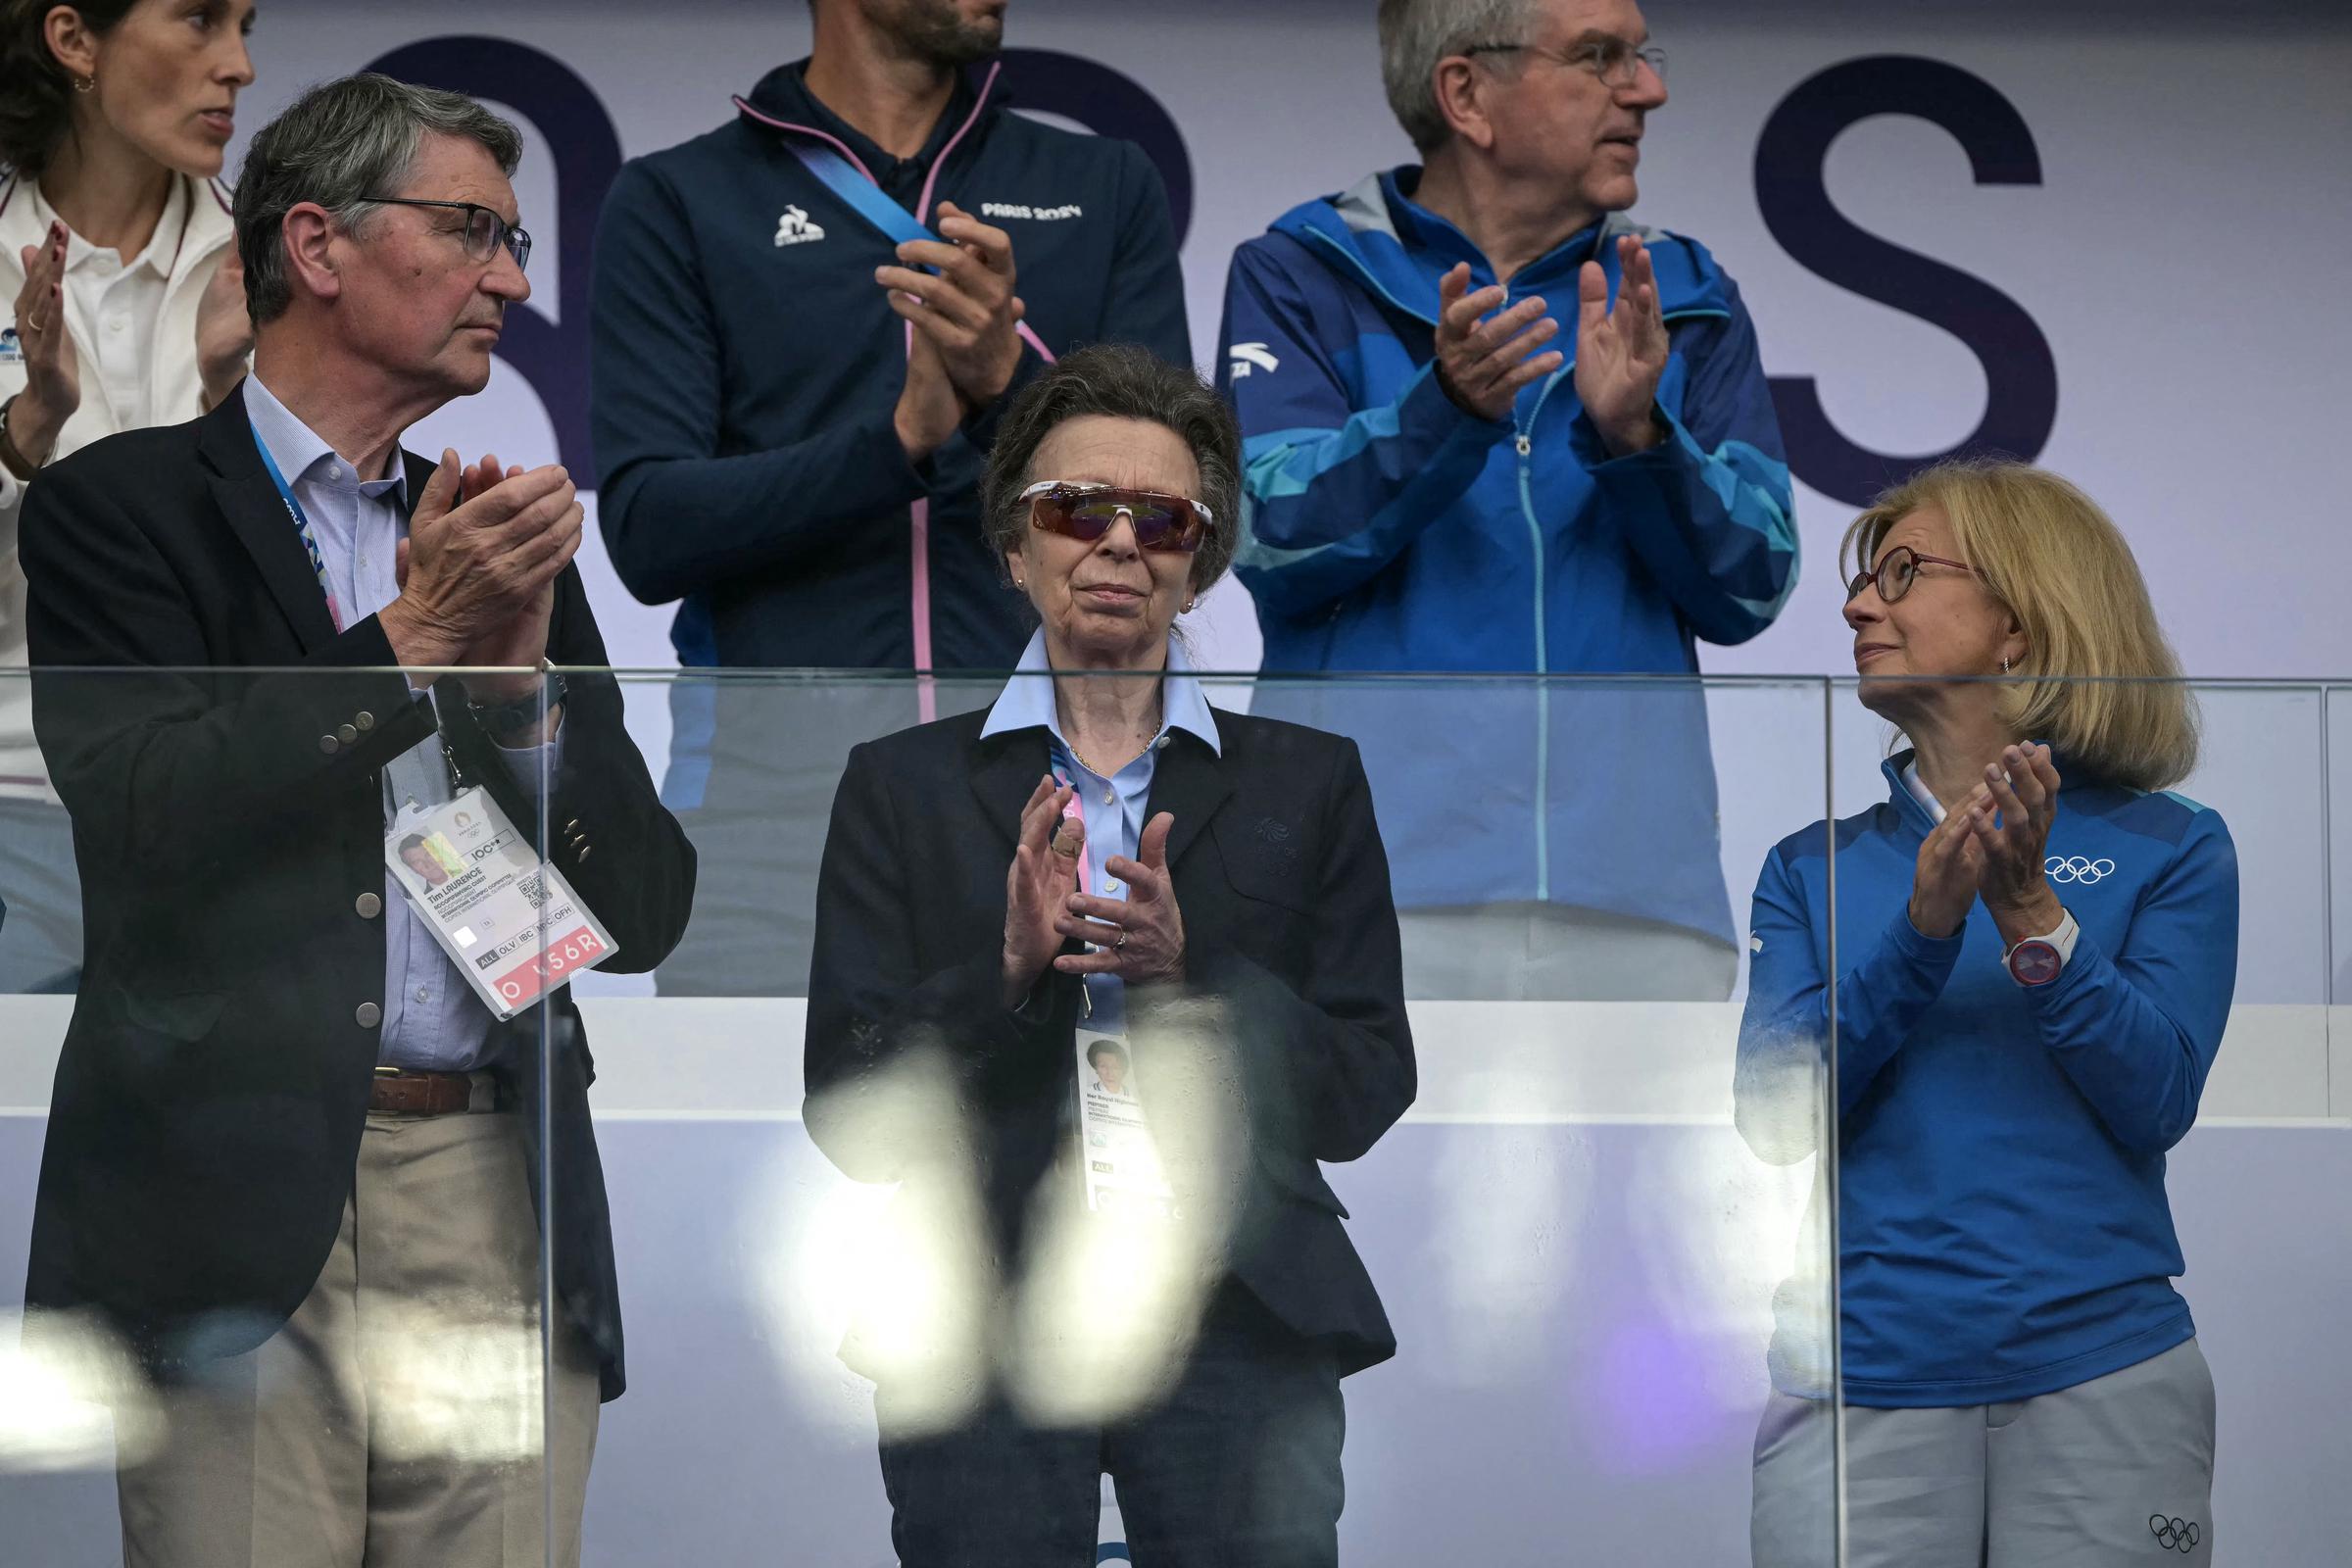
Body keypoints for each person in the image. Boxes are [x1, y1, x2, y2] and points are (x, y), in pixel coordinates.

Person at [19, 74, 696, 1567]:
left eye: (515, 241)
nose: (514, 278)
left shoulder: (497, 526)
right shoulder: (115, 514)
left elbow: (644, 914)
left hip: (496, 1187)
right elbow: (146, 822)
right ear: (316, 246)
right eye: (472, 230)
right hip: (237, 1192)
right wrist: (407, 641)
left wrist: (522, 710)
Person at [805, 345, 1414, 1567]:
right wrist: (1009, 974)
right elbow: (848, 1104)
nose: (1121, 543)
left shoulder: (1310, 780)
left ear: (1201, 569)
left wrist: (1190, 979)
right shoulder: (900, 786)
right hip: (977, 1309)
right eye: (1078, 509)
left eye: (1165, 519)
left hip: (1239, 1302)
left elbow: (1367, 1083)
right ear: (1016, 548)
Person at [593, 0, 1193, 999]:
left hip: (1066, 826)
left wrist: (1010, 389)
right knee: (758, 1157)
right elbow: (651, 531)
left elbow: (1178, 513)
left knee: (1067, 1156)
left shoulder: (1103, 184)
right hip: (769, 829)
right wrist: (898, 444)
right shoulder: (681, 198)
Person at [1215, 0, 1796, 1001]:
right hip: (1361, 889)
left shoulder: (1684, 295)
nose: (1647, 88)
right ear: (1466, 94)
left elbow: (1753, 585)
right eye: (1599, 57)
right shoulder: (1301, 273)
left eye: (1641, 57)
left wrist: (1642, 442)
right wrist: (1441, 410)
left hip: (1637, 904)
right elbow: (1264, 535)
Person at [1734, 461, 2235, 1567]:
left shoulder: (2176, 845)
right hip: (1857, 1378)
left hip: (2107, 1375)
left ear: (2017, 617)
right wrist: (1920, 931)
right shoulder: (1809, 866)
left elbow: (2156, 1097)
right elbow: (1773, 1117)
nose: (1861, 603)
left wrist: (2032, 918)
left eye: (1902, 573)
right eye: (1866, 579)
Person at [0, 0, 258, 993]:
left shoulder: (284, 263)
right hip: (16, 797)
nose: (235, 65)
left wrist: (227, 401)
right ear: (74, 41)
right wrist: (26, 434)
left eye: (245, 25)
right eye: (199, 20)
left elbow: (324, 584)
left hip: (225, 811)